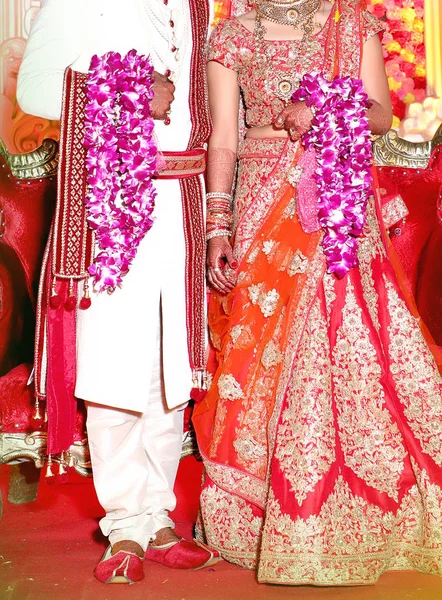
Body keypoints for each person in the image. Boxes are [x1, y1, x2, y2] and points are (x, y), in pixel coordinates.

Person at [193, 0, 442, 587]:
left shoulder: (350, 23)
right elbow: (224, 136)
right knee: (258, 362)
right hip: (260, 204)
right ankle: (254, 515)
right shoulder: (230, 35)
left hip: (334, 199)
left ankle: (357, 513)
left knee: (349, 348)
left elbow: (380, 114)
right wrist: (218, 226)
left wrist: (327, 107)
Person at [17, 0, 219, 584]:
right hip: (111, 201)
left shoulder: (198, 7)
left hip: (184, 201)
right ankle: (125, 522)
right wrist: (127, 92)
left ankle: (158, 515)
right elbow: (33, 93)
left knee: (169, 364)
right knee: (114, 364)